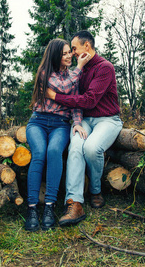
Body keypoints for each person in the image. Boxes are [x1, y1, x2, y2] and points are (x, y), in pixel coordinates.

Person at [46, 30, 123, 226]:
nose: (71, 53)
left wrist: (55, 97)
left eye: (74, 48)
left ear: (86, 47)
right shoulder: (79, 69)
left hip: (108, 119)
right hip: (85, 120)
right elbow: (71, 91)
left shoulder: (105, 68)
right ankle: (74, 203)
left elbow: (88, 100)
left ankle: (95, 189)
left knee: (92, 148)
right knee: (76, 147)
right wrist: (78, 122)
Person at [25, 38, 90, 231]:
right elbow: (63, 89)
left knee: (54, 152)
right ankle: (31, 209)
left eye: (70, 51)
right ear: (55, 55)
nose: (70, 55)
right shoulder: (45, 73)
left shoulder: (72, 76)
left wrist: (77, 123)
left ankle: (49, 207)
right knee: (39, 154)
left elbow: (75, 101)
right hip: (37, 121)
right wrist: (79, 67)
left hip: (60, 124)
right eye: (64, 53)